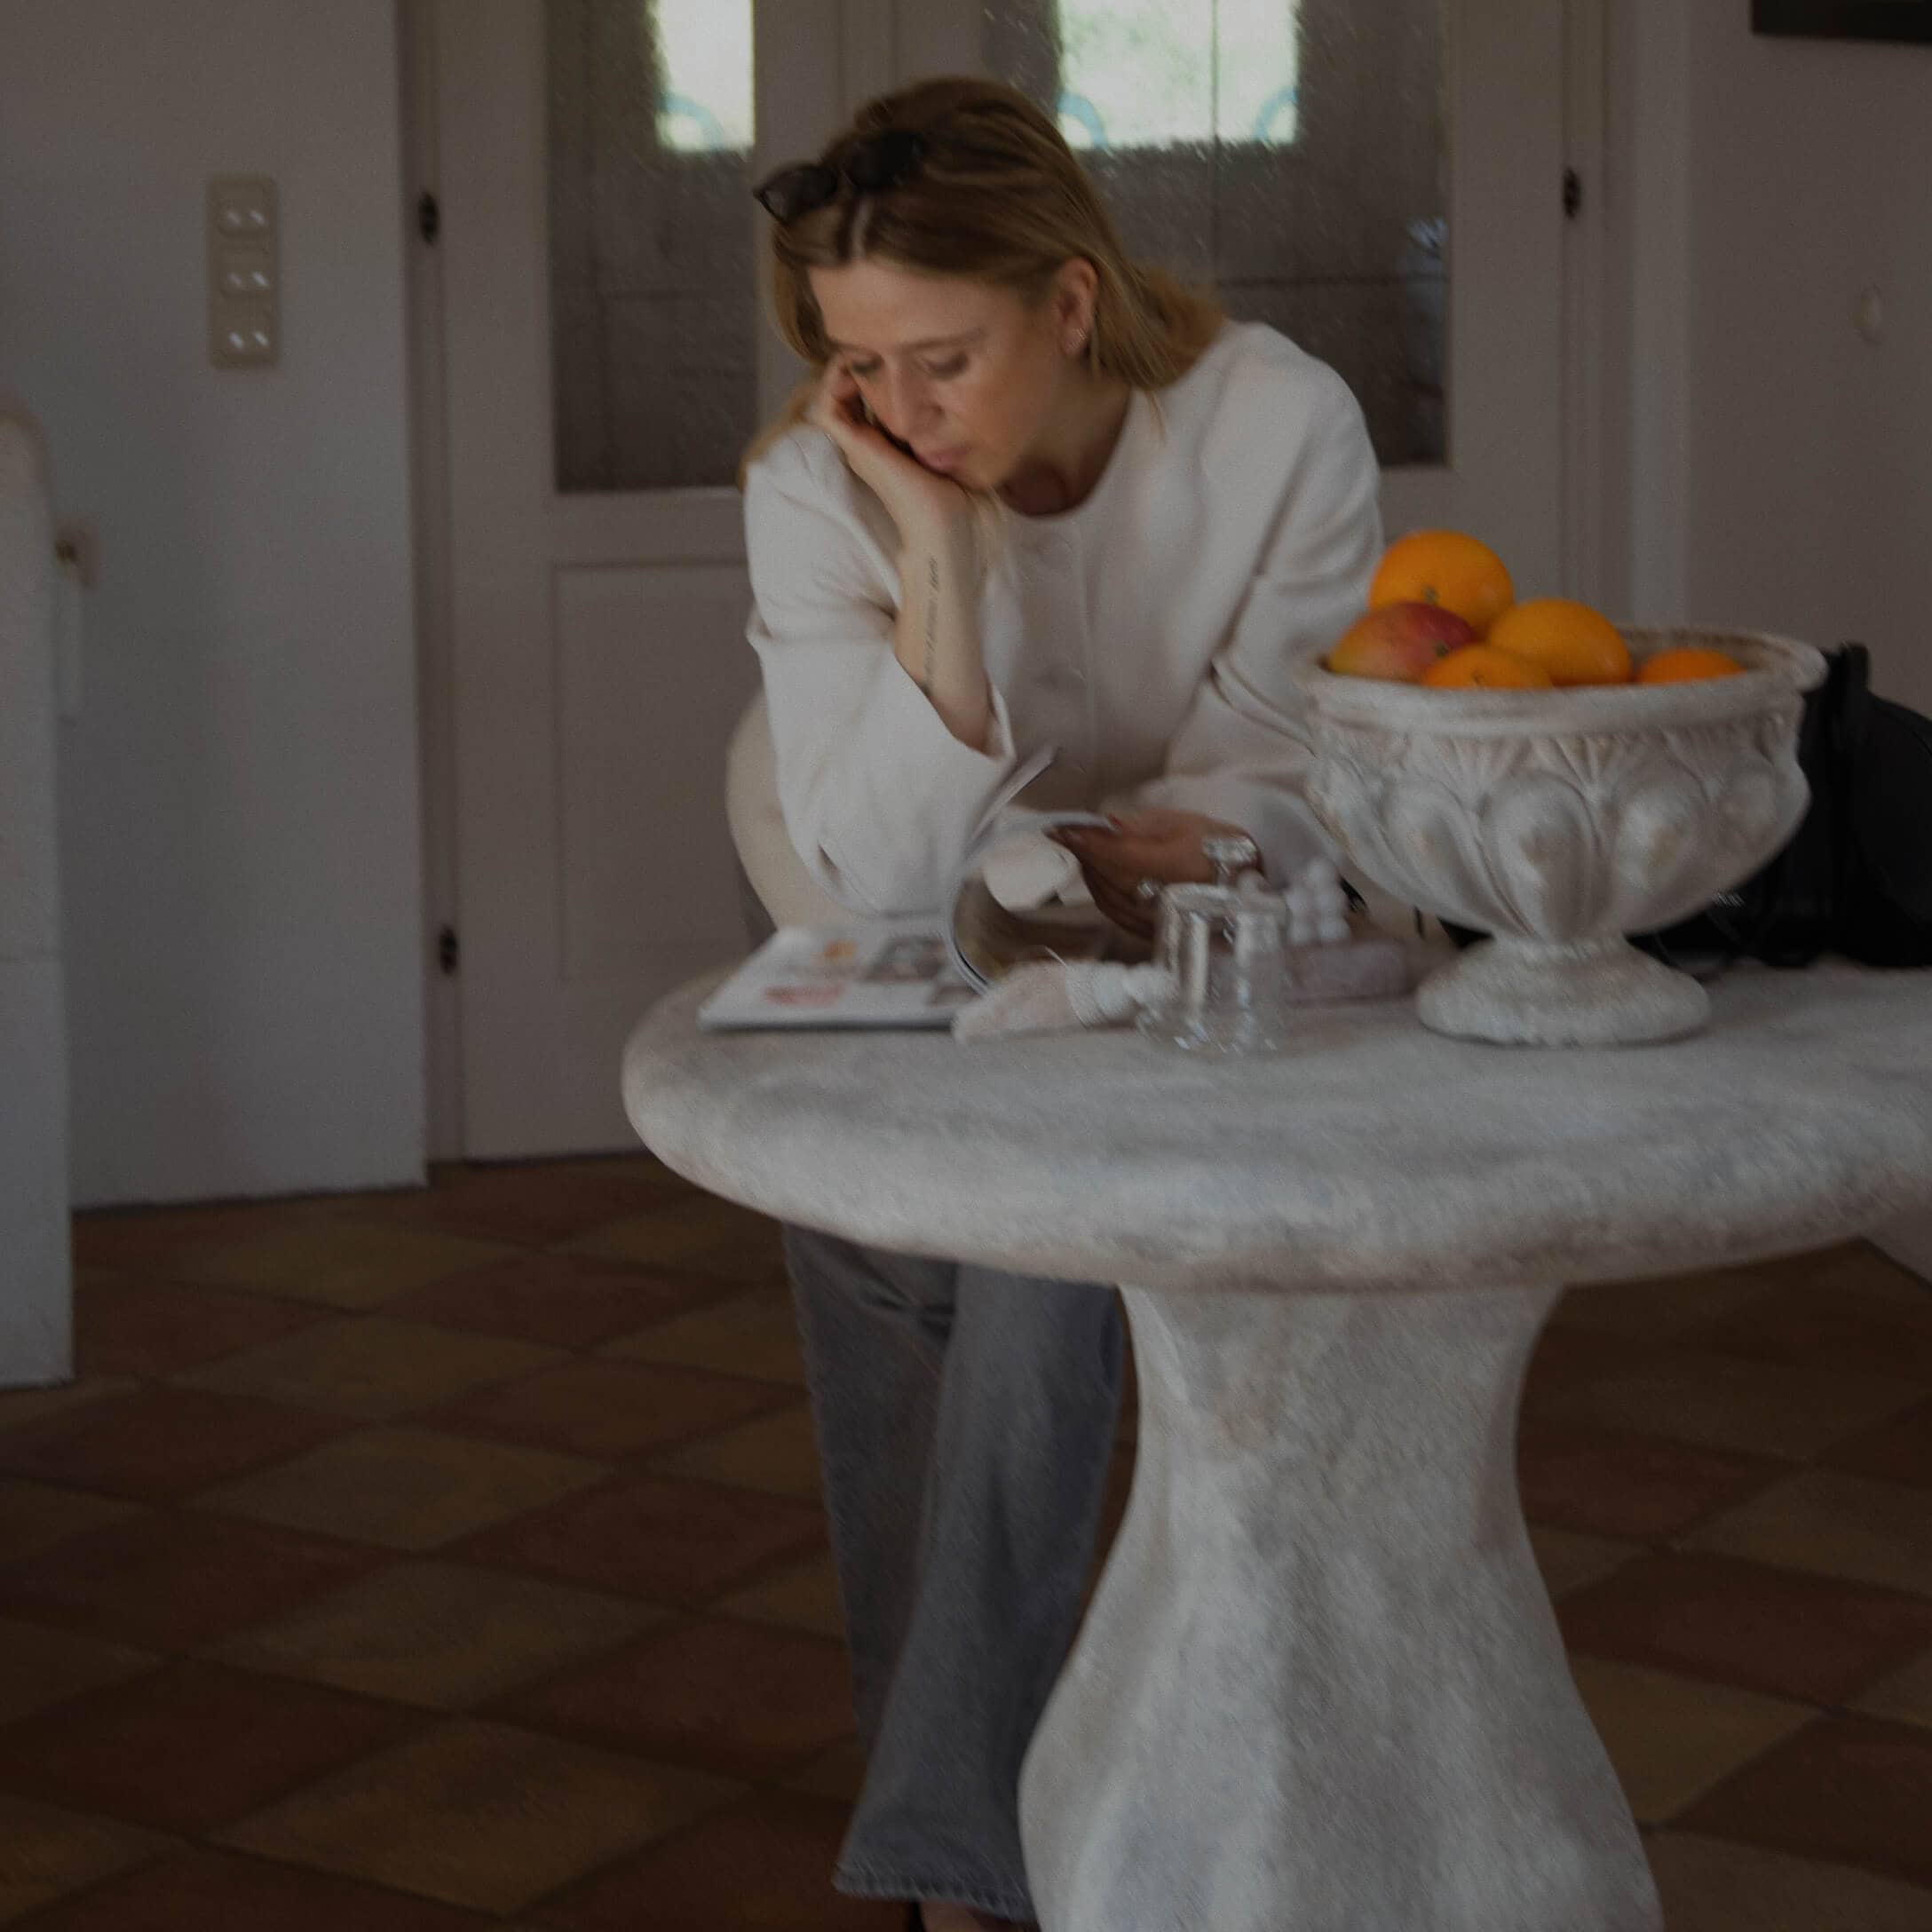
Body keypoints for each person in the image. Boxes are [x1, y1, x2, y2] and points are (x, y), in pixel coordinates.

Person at [740, 76, 1382, 1932]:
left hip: (1185, 936)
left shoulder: (1275, 425)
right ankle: (968, 1836)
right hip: (889, 921)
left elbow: (1285, 778)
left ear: (1071, 301)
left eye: (939, 360)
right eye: (854, 369)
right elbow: (866, 870)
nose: (893, 414)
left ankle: (953, 1855)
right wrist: (938, 558)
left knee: (1019, 1240)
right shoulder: (821, 489)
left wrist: (1151, 842)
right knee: (898, 1251)